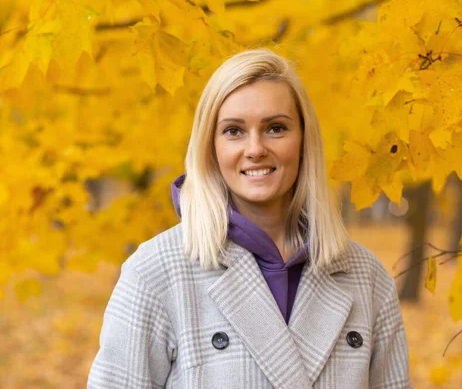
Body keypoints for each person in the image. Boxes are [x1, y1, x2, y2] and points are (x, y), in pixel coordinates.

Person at [87, 49, 411, 388]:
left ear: (303, 140)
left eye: (275, 128)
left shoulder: (366, 277)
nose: (255, 148)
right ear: (210, 147)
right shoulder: (156, 272)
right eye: (233, 131)